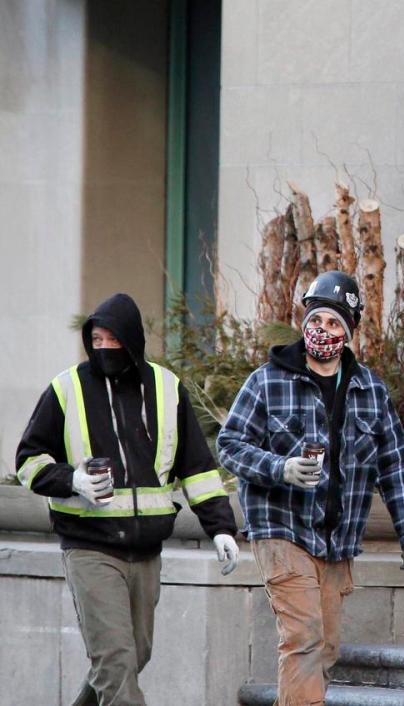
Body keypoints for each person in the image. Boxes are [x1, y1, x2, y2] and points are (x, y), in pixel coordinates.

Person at [14, 293, 239, 706]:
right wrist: (73, 480)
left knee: (133, 657)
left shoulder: (167, 388)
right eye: (96, 340)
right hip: (89, 546)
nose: (103, 349)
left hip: (146, 549)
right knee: (115, 663)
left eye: (112, 340)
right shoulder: (67, 388)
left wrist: (221, 528)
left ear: (132, 341)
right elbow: (28, 461)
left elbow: (197, 467)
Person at [218, 270, 404, 706]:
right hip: (282, 530)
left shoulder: (369, 389)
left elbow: (395, 464)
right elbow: (230, 446)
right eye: (316, 321)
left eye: (334, 324)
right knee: (305, 639)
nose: (323, 331)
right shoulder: (267, 381)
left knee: (326, 647)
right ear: (304, 323)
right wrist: (281, 468)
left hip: (337, 541)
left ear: (349, 331)